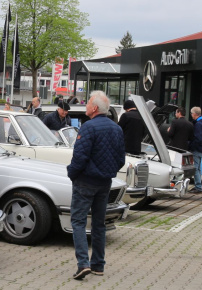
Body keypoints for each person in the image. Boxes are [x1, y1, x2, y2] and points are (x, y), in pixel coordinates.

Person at [67, 90, 125, 281]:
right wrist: (108, 172)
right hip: (104, 183)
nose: (85, 106)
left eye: (88, 103)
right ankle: (98, 265)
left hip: (85, 181)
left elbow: (79, 157)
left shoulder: (88, 127)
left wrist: (72, 173)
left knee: (78, 221)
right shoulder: (116, 129)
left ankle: (83, 264)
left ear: (94, 108)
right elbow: (120, 159)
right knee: (99, 224)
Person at [188, 107, 202, 194]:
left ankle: (198, 187)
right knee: (198, 168)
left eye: (191, 113)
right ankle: (198, 185)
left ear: (195, 114)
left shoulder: (199, 124)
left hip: (197, 149)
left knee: (195, 168)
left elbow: (198, 138)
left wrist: (191, 146)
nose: (191, 115)